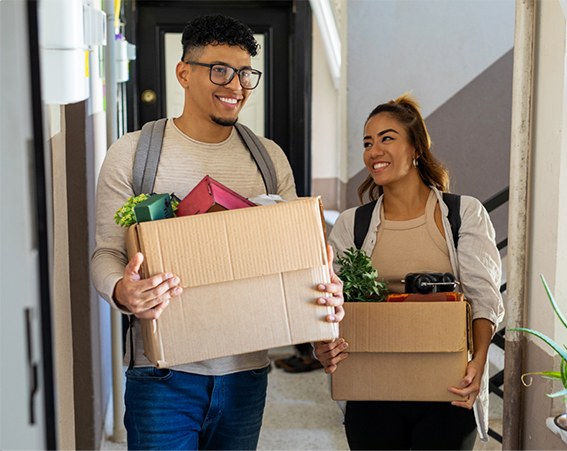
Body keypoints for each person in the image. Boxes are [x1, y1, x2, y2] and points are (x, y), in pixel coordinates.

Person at [91, 14, 344, 450]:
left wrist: (324, 305)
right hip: (161, 376)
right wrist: (123, 292)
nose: (237, 86)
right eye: (221, 70)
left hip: (246, 375)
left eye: (246, 73)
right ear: (184, 73)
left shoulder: (269, 160)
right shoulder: (133, 154)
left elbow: (300, 261)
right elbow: (105, 254)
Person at [314, 94, 504, 450]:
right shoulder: (351, 224)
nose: (374, 151)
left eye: (387, 138)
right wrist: (321, 345)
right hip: (372, 388)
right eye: (368, 143)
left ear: (416, 147)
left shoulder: (464, 215)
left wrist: (478, 363)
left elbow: (484, 298)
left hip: (447, 388)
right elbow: (327, 301)